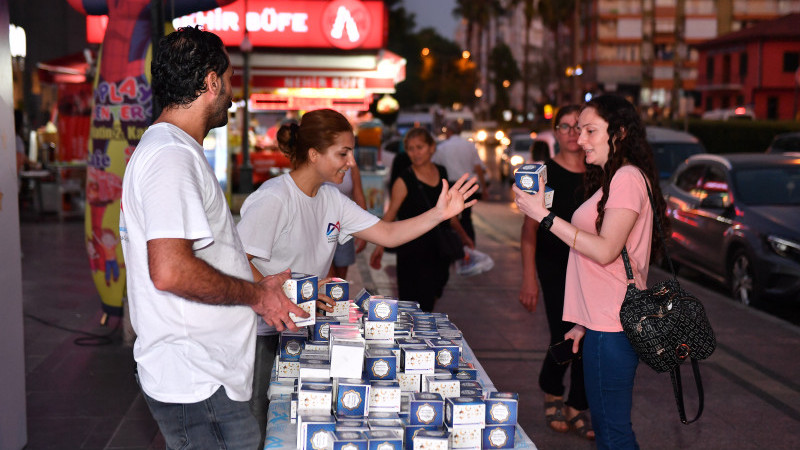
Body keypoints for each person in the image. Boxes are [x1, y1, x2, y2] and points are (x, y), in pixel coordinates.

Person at [236, 110, 478, 444]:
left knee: (298, 430)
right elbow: (235, 261)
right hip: (263, 334)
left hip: (305, 331)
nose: (350, 163)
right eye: (343, 153)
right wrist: (274, 293)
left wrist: (439, 213)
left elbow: (388, 233)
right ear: (314, 154)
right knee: (256, 430)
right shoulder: (274, 197)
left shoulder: (332, 199)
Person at [119, 26, 308, 450]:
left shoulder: (171, 149)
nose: (233, 95)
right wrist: (256, 296)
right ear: (211, 82)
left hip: (202, 376)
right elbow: (170, 270)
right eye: (229, 82)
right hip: (197, 380)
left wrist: (255, 285)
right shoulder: (171, 155)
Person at [513, 94, 666, 449]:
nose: (580, 139)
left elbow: (605, 250)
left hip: (612, 327)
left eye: (590, 130)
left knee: (613, 434)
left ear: (620, 133)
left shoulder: (626, 178)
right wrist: (582, 322)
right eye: (578, 130)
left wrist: (545, 217)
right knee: (610, 429)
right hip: (601, 323)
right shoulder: (614, 177)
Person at [518, 105, 594, 439]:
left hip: (593, 265)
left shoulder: (598, 171)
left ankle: (578, 404)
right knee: (563, 333)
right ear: (554, 132)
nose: (571, 133)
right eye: (563, 127)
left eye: (577, 126)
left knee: (591, 336)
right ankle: (551, 388)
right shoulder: (542, 173)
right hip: (555, 266)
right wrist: (528, 277)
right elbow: (529, 232)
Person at [370, 127, 475, 312]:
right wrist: (379, 245)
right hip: (411, 251)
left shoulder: (442, 173)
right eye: (410, 148)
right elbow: (391, 213)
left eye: (420, 147)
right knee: (411, 304)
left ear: (431, 148)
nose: (415, 153)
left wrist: (464, 236)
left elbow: (449, 214)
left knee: (432, 298)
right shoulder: (404, 180)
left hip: (439, 250)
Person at [432, 120, 488, 242]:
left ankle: (454, 244)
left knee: (450, 217)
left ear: (450, 132)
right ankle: (470, 243)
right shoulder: (470, 146)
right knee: (467, 217)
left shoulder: (442, 148)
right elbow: (478, 168)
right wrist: (483, 189)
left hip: (450, 185)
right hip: (467, 185)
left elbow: (435, 167)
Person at [328, 162, 367, 279]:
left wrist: (364, 231)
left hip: (343, 225)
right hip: (317, 226)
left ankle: (337, 297)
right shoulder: (317, 160)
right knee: (326, 275)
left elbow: (359, 195)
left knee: (339, 279)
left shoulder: (351, 165)